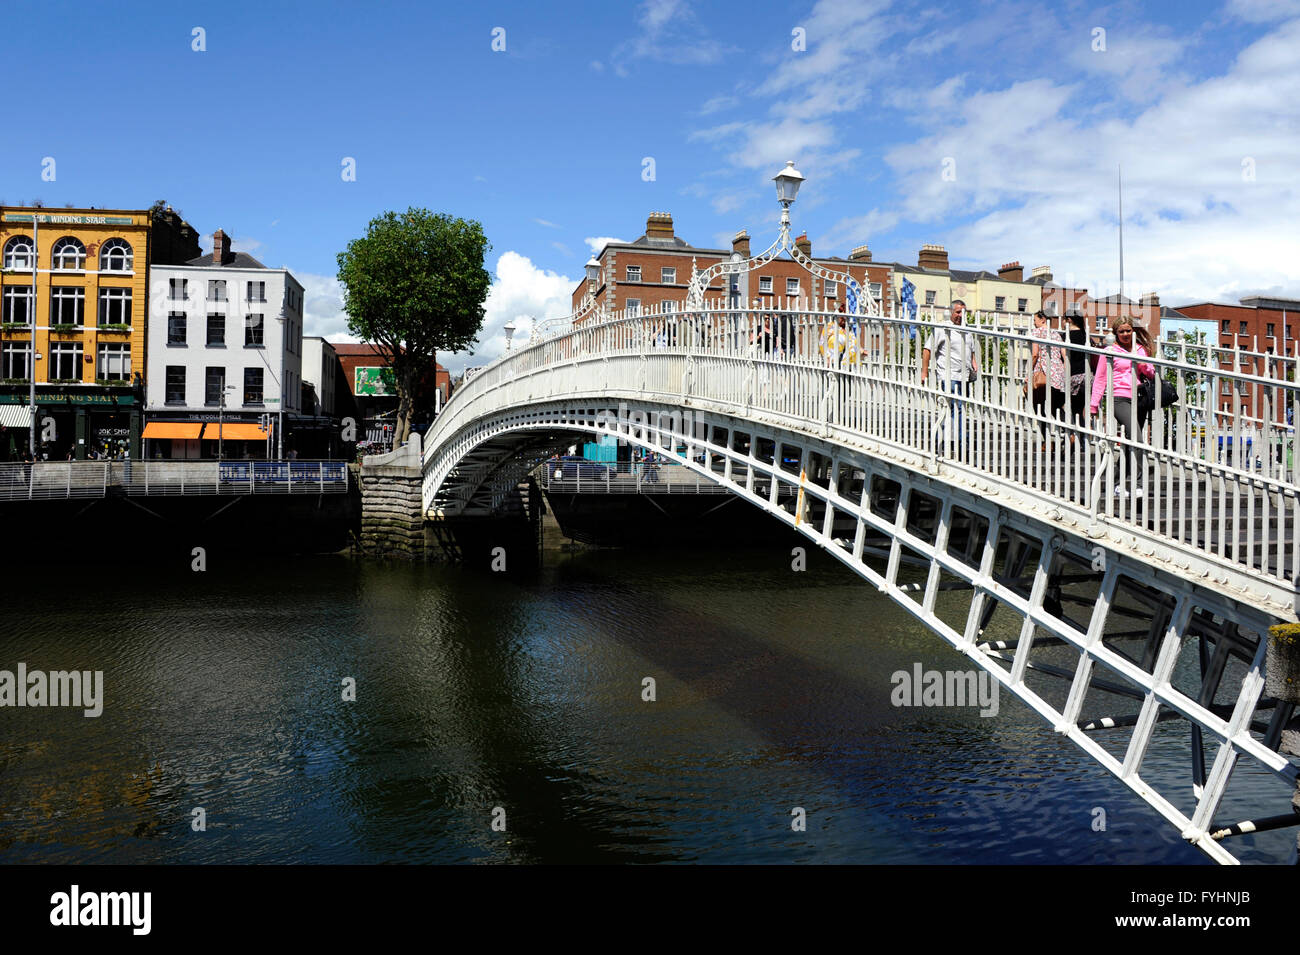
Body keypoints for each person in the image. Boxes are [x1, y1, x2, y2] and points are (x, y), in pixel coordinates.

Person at [1090, 316, 1156, 498]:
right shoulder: (1110, 350)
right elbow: (1101, 377)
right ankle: (1140, 483)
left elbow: (1151, 373)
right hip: (1119, 398)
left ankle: (1116, 484)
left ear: (1132, 331)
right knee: (1137, 438)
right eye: (1122, 331)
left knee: (1128, 444)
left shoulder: (1140, 349)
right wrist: (1094, 404)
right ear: (1116, 333)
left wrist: (1142, 364)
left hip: (1140, 398)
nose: (1126, 334)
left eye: (1128, 330)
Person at [920, 299, 979, 455]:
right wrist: (924, 372)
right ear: (952, 312)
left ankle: (945, 438)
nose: (961, 315)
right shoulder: (943, 328)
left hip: (964, 376)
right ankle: (959, 441)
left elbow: (970, 350)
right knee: (956, 408)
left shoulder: (967, 330)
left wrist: (974, 362)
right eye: (958, 312)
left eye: (964, 312)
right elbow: (927, 350)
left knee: (957, 409)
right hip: (949, 374)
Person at [1030, 309, 1067, 448]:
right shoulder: (1056, 334)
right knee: (1055, 407)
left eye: (1035, 320)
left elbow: (1035, 354)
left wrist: (1029, 372)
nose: (1034, 323)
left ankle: (1047, 440)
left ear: (1042, 320)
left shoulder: (1037, 333)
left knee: (1038, 406)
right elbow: (1064, 354)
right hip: (1058, 374)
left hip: (1044, 372)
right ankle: (1068, 430)